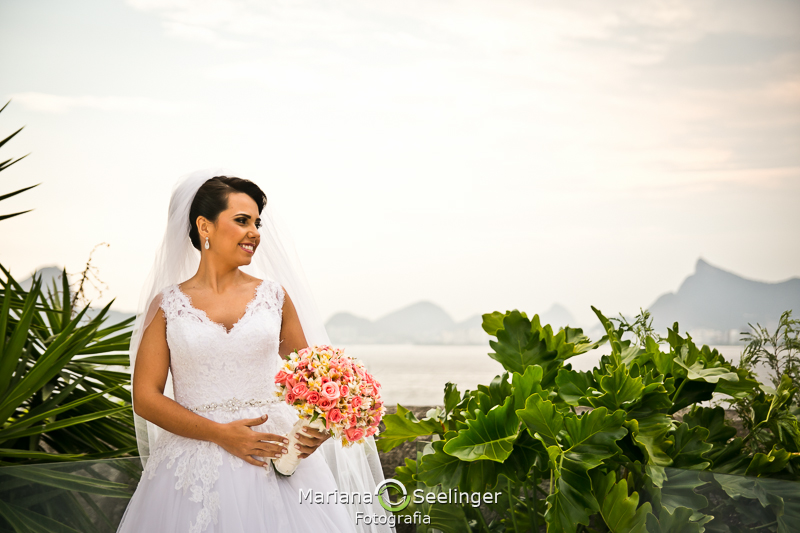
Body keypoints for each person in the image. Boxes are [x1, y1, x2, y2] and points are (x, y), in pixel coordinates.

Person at [116, 169, 394, 533]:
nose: (254, 233)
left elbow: (317, 380)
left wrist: (319, 426)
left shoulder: (274, 298)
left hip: (276, 456)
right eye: (242, 220)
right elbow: (146, 398)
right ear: (205, 226)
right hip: (191, 464)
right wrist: (220, 434)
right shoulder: (167, 305)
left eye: (257, 223)